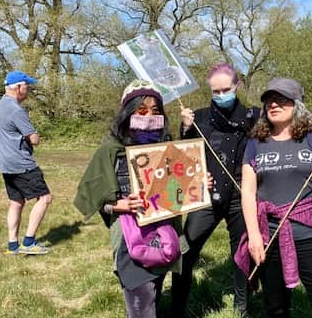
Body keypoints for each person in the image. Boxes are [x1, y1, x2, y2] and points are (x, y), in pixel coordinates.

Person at [74, 80, 211, 318]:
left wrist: (199, 184)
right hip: (131, 239)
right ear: (128, 112)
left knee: (154, 292)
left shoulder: (165, 146)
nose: (149, 116)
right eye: (142, 111)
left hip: (165, 233)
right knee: (141, 302)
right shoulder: (111, 148)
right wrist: (120, 205)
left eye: (155, 111)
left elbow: (180, 186)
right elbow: (93, 194)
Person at [235, 77, 312, 317]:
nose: (273, 105)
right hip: (271, 238)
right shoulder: (256, 143)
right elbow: (248, 192)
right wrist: (255, 237)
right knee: (275, 309)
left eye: (281, 100)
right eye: (269, 100)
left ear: (297, 104)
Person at [172, 63, 260, 316]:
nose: (221, 95)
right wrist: (186, 129)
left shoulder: (254, 117)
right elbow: (182, 159)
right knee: (185, 251)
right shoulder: (198, 117)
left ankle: (241, 307)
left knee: (242, 255)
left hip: (240, 198)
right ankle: (177, 307)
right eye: (216, 91)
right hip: (206, 197)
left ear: (237, 86)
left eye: (226, 90)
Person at [0, 71, 52, 255]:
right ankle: (29, 242)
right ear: (18, 88)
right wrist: (34, 135)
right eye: (26, 85)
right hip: (21, 163)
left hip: (5, 163)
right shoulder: (16, 110)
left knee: (16, 202)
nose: (28, 88)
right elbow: (34, 139)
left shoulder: (0, 106)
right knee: (44, 198)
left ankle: (13, 245)